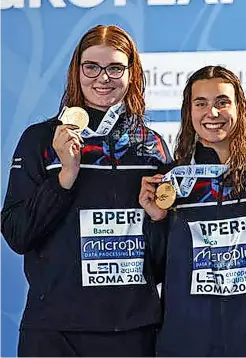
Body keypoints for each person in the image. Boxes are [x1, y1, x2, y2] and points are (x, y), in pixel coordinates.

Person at [1, 25, 171, 356]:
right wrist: (65, 176)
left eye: (115, 67)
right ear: (76, 71)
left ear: (132, 73)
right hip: (55, 331)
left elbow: (164, 261)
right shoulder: (41, 140)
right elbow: (17, 234)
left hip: (133, 329)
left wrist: (158, 220)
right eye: (91, 66)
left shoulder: (152, 147)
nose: (102, 78)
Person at [139, 65, 246, 357]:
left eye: (222, 102)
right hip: (184, 345)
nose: (213, 113)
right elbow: (152, 274)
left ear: (239, 108)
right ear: (188, 112)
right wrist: (156, 219)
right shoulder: (170, 183)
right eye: (201, 103)